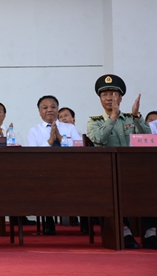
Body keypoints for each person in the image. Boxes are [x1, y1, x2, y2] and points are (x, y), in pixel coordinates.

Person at [86, 74, 154, 249]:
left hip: (134, 170)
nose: (109, 98)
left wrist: (137, 116)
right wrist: (113, 118)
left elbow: (148, 138)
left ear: (121, 97)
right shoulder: (94, 122)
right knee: (113, 189)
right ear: (100, 99)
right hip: (108, 173)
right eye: (105, 94)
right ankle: (125, 231)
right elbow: (99, 139)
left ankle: (151, 232)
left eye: (113, 94)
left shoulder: (132, 118)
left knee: (151, 182)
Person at [27, 95, 81, 235]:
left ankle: (84, 221)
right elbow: (33, 155)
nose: (49, 110)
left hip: (69, 170)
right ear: (40, 112)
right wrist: (50, 141)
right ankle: (48, 220)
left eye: (53, 107)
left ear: (58, 109)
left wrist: (61, 138)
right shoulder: (34, 131)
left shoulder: (70, 128)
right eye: (45, 108)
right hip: (45, 171)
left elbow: (79, 148)